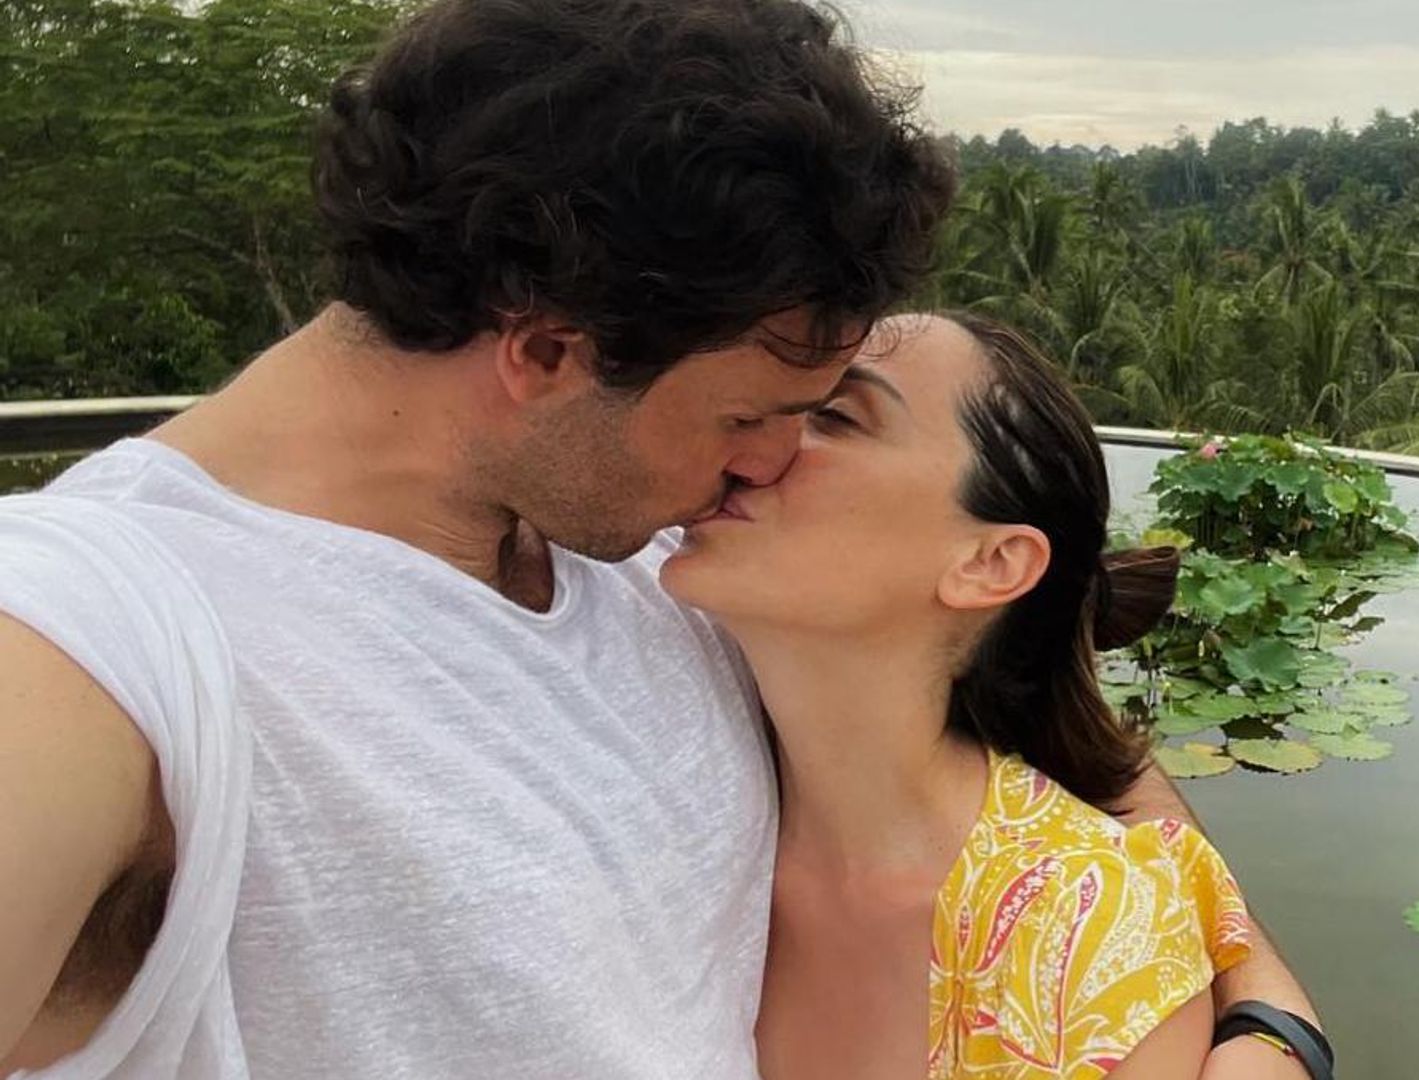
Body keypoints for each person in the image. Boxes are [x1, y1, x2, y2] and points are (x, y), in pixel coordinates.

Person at [0, 0, 1319, 1077]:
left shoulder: (654, 554)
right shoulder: (96, 642)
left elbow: (1060, 755)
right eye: (751, 415)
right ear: (547, 352)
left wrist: (1263, 1013)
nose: (770, 463)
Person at [658, 311, 1324, 1079]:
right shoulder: (681, 821)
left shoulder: (1088, 949)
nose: (760, 437)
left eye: (834, 415)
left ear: (991, 563)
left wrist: (1281, 1037)